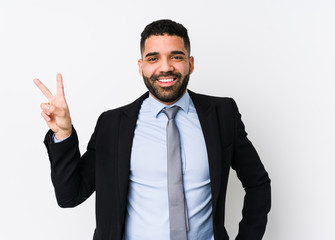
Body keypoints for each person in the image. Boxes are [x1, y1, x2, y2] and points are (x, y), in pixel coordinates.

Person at [34, 19, 271, 240]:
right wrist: (63, 133)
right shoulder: (112, 124)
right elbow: (70, 195)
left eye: (176, 57)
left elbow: (257, 183)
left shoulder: (222, 114)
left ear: (190, 63)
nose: (165, 68)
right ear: (141, 66)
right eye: (153, 58)